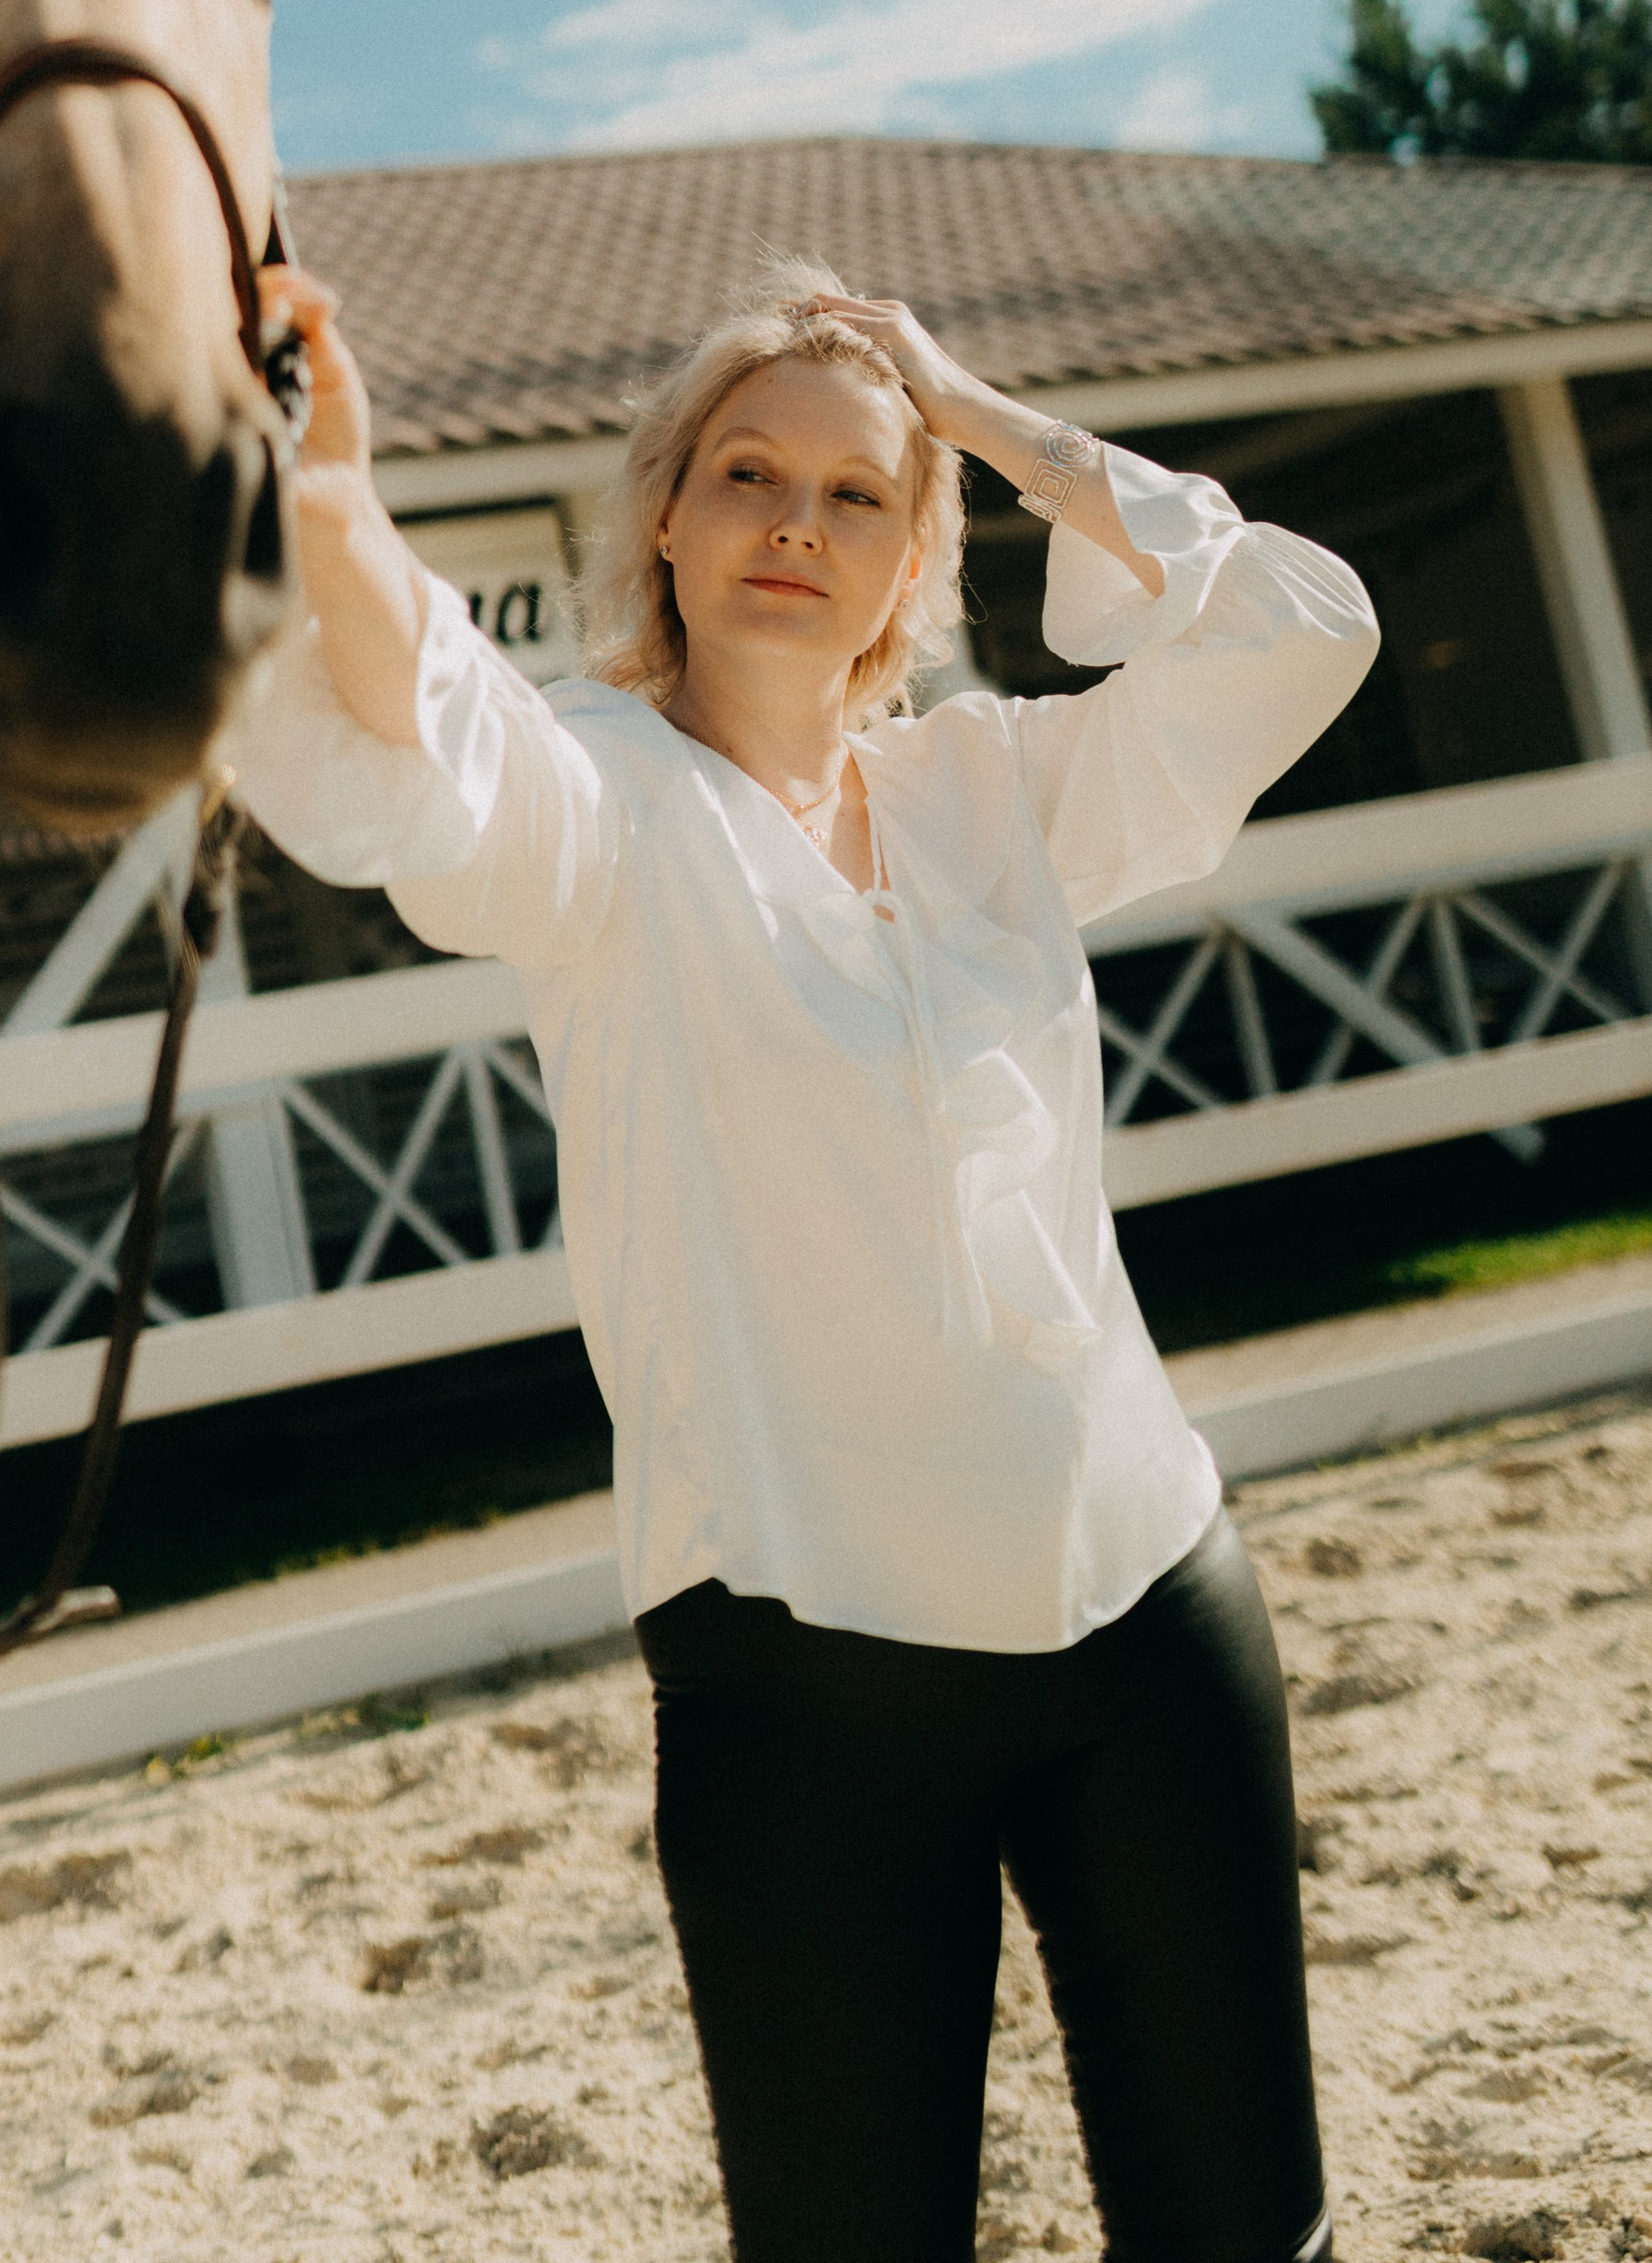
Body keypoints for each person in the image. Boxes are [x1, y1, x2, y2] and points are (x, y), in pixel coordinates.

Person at [233, 254, 1377, 2263]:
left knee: (1244, 2230)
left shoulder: (991, 787)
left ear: (914, 552)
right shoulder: (593, 805)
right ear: (662, 516)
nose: (792, 522)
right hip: (808, 1682)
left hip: (1147, 1614)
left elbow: (1297, 626)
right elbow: (424, 732)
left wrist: (971, 411)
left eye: (857, 493)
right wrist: (327, 496)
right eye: (745, 474)